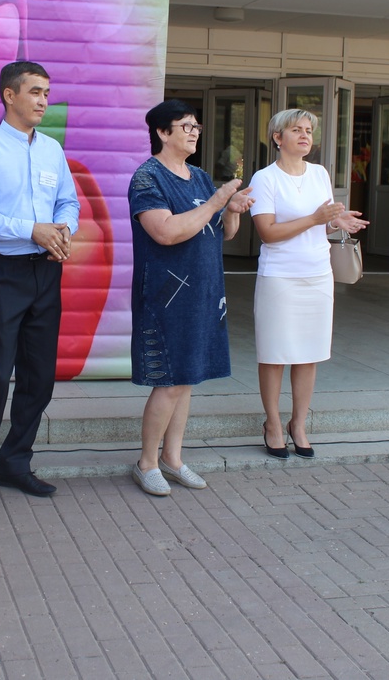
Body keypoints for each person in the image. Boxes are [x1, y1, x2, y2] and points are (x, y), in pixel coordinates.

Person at [0, 61, 80, 514]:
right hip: (2, 273)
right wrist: (32, 230)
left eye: (46, 93)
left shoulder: (52, 150)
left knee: (39, 376)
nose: (43, 101)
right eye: (35, 92)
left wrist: (63, 231)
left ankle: (15, 463)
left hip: (47, 270)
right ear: (9, 94)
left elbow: (67, 201)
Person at [128, 100, 254, 496]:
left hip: (203, 293)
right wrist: (217, 201)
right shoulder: (147, 177)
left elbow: (223, 232)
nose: (195, 132)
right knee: (169, 381)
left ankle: (173, 458)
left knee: (187, 379)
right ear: (162, 132)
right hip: (166, 295)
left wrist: (231, 210)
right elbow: (165, 232)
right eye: (186, 126)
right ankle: (147, 463)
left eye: (197, 126)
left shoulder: (199, 176)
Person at [250, 109, 368, 461]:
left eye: (309, 131)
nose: (305, 136)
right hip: (279, 275)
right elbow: (268, 233)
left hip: (317, 273)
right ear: (277, 138)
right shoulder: (265, 178)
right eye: (296, 130)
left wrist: (335, 222)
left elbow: (321, 223)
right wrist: (316, 218)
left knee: (309, 352)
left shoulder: (319, 174)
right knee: (274, 353)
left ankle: (298, 424)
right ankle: (273, 423)